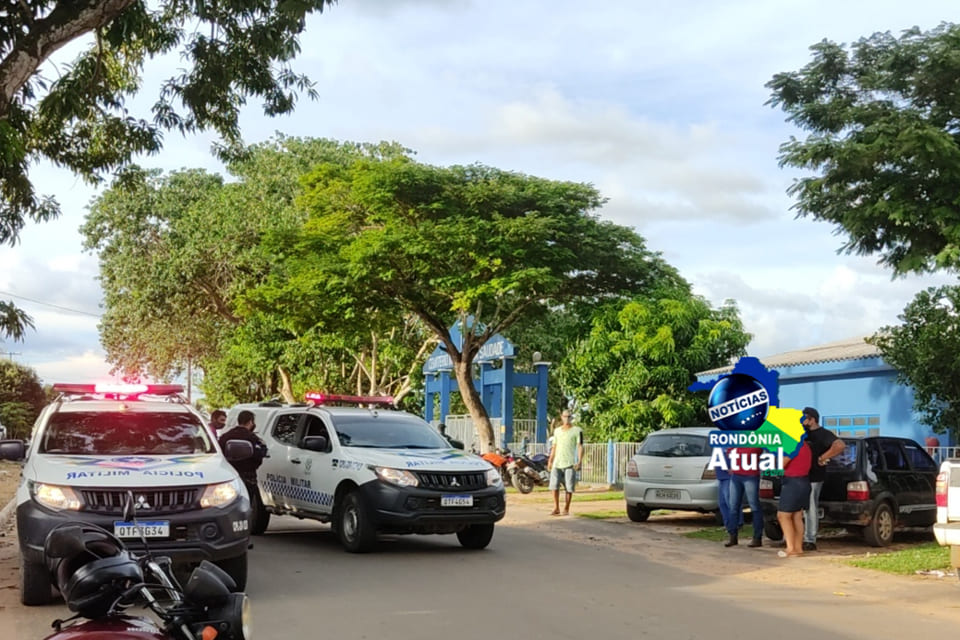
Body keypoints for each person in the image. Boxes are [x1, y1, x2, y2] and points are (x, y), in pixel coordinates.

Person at [802, 407, 845, 551]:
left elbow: (840, 445)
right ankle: (796, 537)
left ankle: (810, 539)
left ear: (812, 419)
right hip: (799, 475)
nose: (802, 421)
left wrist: (823, 457)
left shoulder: (824, 434)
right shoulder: (802, 433)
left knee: (810, 507)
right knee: (799, 508)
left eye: (805, 418)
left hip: (814, 476)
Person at [218, 410, 268, 499]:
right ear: (250, 422)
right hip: (248, 476)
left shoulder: (225, 436)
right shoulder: (253, 438)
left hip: (230, 475)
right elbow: (260, 453)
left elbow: (219, 453)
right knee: (248, 500)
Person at [777, 438, 813, 557]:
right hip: (804, 481)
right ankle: (798, 548)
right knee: (797, 515)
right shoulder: (805, 445)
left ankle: (790, 548)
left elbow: (781, 464)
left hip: (793, 482)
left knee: (783, 515)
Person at [546, 410, 584, 516]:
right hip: (557, 463)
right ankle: (556, 507)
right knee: (554, 486)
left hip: (570, 462)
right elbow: (554, 446)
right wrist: (550, 460)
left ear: (571, 418)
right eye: (565, 417)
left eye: (569, 417)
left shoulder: (577, 430)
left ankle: (566, 508)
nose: (566, 419)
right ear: (561, 417)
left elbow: (580, 446)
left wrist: (579, 461)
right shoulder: (557, 431)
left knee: (569, 487)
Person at [725, 447, 763, 548]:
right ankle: (733, 536)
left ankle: (757, 537)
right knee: (733, 506)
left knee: (754, 506)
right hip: (737, 475)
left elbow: (752, 452)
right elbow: (729, 452)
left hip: (750, 475)